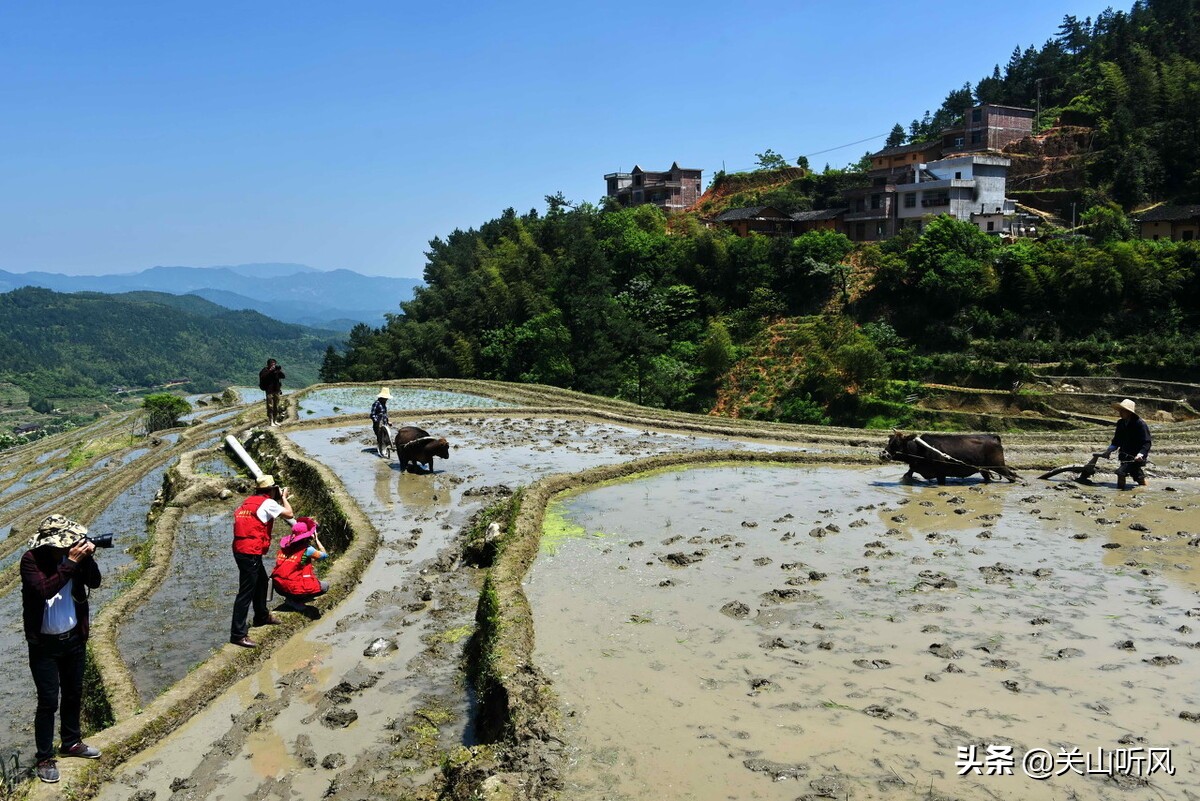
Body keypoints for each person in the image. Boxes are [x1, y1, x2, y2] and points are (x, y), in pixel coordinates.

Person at [21, 514, 103, 784]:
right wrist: (70, 563)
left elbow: (94, 582)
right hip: (44, 645)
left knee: (73, 693)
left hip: (73, 639)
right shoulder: (31, 560)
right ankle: (44, 757)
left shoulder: (75, 559)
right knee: (47, 701)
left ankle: (71, 742)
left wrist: (87, 558)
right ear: (51, 544)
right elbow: (44, 590)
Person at [230, 475, 293, 647]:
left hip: (241, 549)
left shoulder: (248, 501)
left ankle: (261, 616)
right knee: (246, 592)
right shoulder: (268, 503)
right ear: (272, 490)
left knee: (262, 582)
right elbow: (289, 514)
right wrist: (284, 499)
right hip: (250, 551)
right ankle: (238, 634)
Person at [271, 517, 329, 611]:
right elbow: (324, 556)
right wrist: (317, 541)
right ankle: (296, 601)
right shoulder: (307, 550)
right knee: (325, 586)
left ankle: (290, 599)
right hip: (292, 587)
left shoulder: (284, 548)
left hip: (279, 587)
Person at [1099, 398, 1151, 489]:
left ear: (1129, 412)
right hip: (1124, 455)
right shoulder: (1120, 423)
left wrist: (1140, 454)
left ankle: (1120, 493)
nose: (1120, 413)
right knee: (1136, 475)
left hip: (1136, 457)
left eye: (1123, 411)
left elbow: (1147, 442)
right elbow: (1116, 440)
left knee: (1120, 472)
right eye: (1120, 410)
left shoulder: (1140, 424)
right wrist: (1109, 451)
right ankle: (1146, 489)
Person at [258, 359, 285, 426]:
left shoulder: (276, 371)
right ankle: (271, 422)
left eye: (274, 364)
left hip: (277, 390)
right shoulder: (265, 370)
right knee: (270, 406)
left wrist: (279, 371)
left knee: (276, 406)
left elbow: (283, 376)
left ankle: (275, 420)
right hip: (269, 391)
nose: (273, 365)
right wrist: (270, 371)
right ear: (268, 364)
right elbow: (262, 377)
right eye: (272, 364)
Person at [370, 387, 391, 457]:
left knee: (385, 438)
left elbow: (385, 414)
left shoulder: (383, 404)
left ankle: (383, 450)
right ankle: (381, 452)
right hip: (378, 425)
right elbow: (372, 415)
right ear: (382, 397)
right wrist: (377, 422)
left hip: (384, 424)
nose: (387, 399)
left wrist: (388, 422)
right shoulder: (376, 404)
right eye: (386, 398)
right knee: (380, 438)